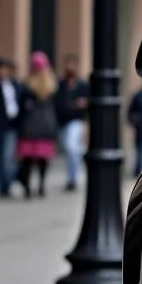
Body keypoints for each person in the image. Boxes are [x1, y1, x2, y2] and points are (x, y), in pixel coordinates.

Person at [15, 51, 59, 198]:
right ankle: (41, 184)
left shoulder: (27, 84)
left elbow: (20, 107)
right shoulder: (51, 83)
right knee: (42, 159)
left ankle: (27, 185)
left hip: (30, 126)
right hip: (46, 125)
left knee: (28, 159)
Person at [56, 54, 89, 191]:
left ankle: (73, 178)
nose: (69, 67)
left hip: (77, 120)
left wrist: (84, 103)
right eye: (67, 64)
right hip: (63, 121)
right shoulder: (61, 84)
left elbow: (89, 101)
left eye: (72, 64)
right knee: (70, 151)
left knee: (71, 148)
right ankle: (71, 176)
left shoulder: (82, 85)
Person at [0, 57, 22, 197]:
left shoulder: (14, 85)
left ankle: (7, 184)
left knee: (8, 157)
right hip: (0, 124)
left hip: (12, 124)